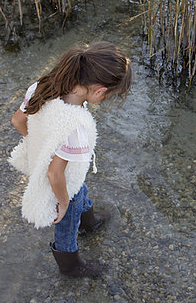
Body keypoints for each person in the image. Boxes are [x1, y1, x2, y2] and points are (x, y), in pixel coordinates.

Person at [9, 41, 131, 278]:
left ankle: (90, 223)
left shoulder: (42, 87)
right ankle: (71, 266)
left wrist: (39, 143)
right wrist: (63, 201)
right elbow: (55, 174)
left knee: (81, 192)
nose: (107, 100)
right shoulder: (75, 127)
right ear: (98, 90)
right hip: (62, 184)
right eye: (109, 96)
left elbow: (17, 120)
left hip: (64, 174)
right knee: (67, 221)